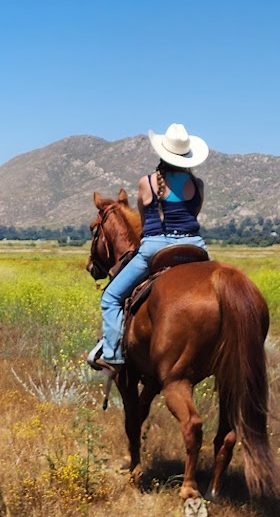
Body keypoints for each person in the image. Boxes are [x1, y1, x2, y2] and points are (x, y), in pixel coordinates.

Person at [88, 122, 211, 374]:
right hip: (195, 247)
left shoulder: (147, 183)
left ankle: (112, 354)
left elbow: (145, 223)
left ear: (162, 153)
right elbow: (193, 215)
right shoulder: (198, 184)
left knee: (111, 298)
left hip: (156, 248)